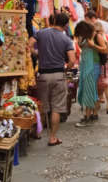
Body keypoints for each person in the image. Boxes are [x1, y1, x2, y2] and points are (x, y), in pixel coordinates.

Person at [28, 13, 76, 146]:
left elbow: (29, 44)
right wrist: (66, 69)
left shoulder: (41, 33)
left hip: (43, 75)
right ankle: (52, 137)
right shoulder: (66, 39)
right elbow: (72, 60)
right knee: (56, 108)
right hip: (58, 75)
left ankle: (38, 133)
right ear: (66, 25)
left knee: (43, 105)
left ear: (54, 20)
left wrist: (37, 53)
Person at [74, 21, 108, 127]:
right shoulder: (84, 36)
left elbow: (105, 50)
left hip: (93, 66)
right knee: (87, 90)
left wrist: (93, 46)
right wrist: (80, 41)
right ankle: (90, 115)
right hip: (85, 66)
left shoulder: (96, 36)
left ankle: (87, 117)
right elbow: (82, 47)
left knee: (89, 90)